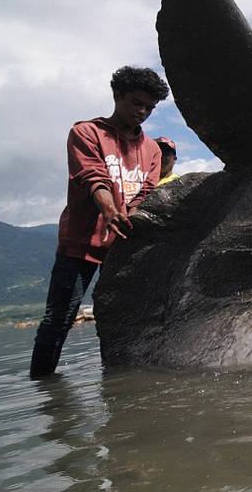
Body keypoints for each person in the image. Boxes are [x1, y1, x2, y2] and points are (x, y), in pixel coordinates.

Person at [29, 66, 170, 379]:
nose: (143, 111)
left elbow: (146, 192)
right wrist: (109, 209)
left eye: (149, 107)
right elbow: (92, 176)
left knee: (118, 316)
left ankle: (116, 383)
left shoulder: (151, 150)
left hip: (122, 246)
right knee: (60, 317)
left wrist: (129, 214)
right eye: (136, 103)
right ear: (117, 96)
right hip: (80, 243)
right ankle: (43, 387)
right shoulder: (86, 133)